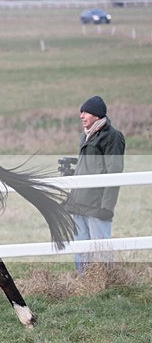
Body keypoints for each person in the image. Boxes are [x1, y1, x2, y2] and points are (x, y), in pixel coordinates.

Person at [63, 95, 125, 273]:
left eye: (86, 112)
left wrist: (107, 206)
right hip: (78, 202)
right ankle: (84, 282)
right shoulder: (86, 136)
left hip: (97, 204)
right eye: (81, 112)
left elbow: (114, 173)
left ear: (97, 115)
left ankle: (105, 281)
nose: (82, 116)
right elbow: (90, 167)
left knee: (100, 247)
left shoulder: (112, 137)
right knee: (81, 248)